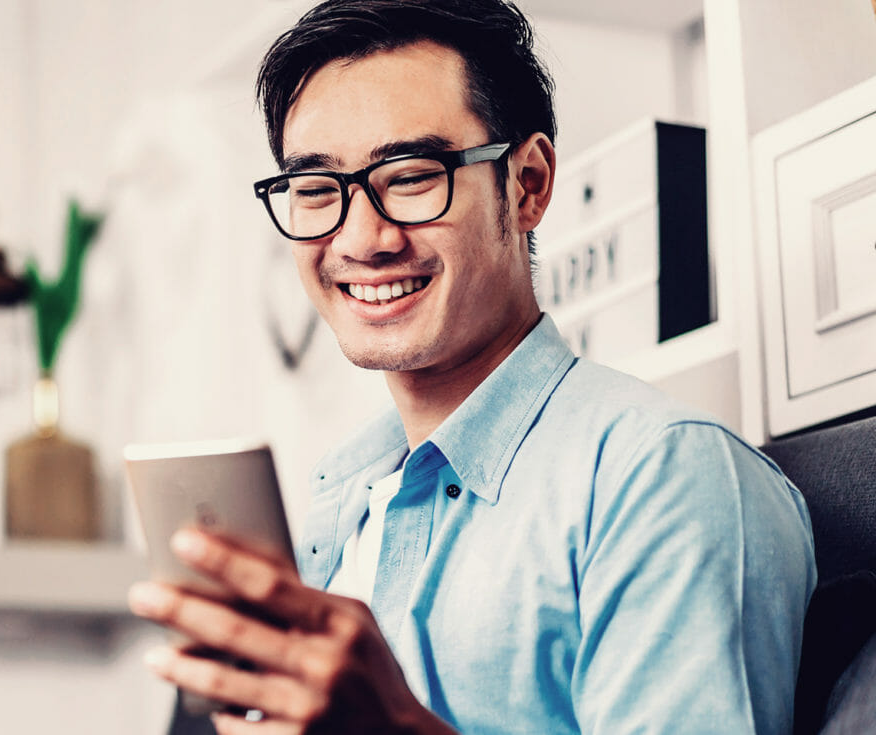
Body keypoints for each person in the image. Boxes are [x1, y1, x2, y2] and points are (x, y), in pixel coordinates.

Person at [128, 1, 817, 733]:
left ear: (528, 185)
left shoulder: (662, 474)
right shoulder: (343, 492)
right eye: (318, 190)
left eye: (413, 175)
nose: (362, 238)